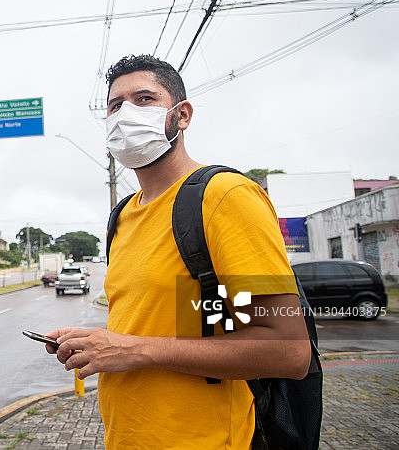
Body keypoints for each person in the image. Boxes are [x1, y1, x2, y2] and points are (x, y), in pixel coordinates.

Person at [46, 55, 311, 449]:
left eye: (144, 99)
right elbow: (177, 322)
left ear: (182, 115)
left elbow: (288, 351)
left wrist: (134, 350)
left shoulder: (225, 198)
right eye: (115, 106)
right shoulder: (122, 217)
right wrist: (100, 343)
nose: (126, 114)